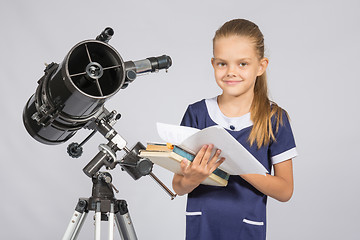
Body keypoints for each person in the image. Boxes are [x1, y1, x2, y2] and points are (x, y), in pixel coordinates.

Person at [172, 19, 298, 240]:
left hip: (246, 229)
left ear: (261, 66)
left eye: (242, 64)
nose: (231, 72)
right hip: (202, 228)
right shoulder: (196, 113)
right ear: (213, 64)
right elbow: (178, 186)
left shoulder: (274, 119)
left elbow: (285, 190)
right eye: (222, 63)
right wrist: (193, 178)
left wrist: (239, 164)